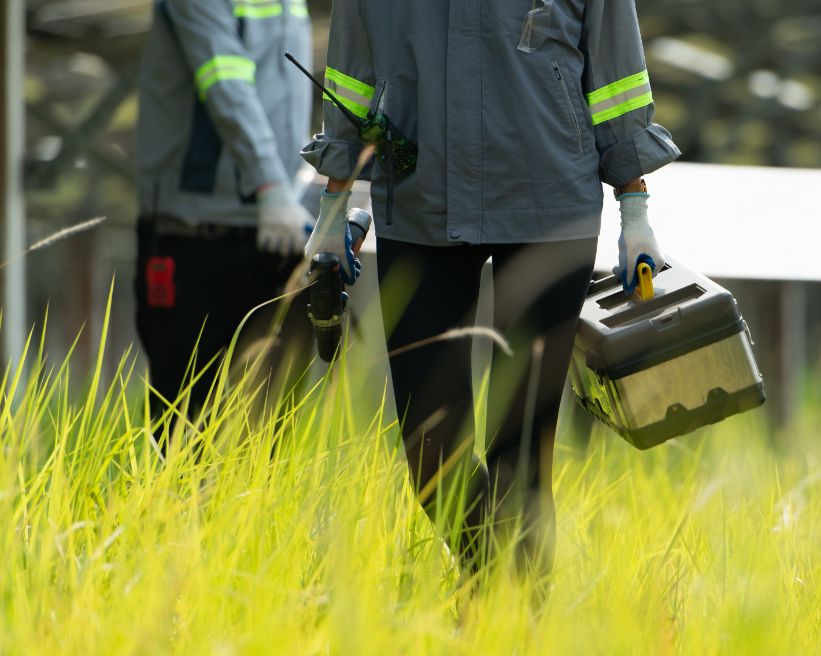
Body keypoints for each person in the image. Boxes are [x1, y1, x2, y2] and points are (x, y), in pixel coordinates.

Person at [302, 0, 681, 576]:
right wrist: (338, 207)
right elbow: (352, 80)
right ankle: (503, 588)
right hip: (420, 204)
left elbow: (616, 74)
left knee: (521, 450)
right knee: (430, 450)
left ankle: (508, 626)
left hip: (549, 206)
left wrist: (635, 210)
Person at [134, 0, 313, 444]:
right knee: (186, 433)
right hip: (196, 236)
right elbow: (224, 76)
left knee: (267, 440)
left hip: (278, 233)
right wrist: (271, 185)